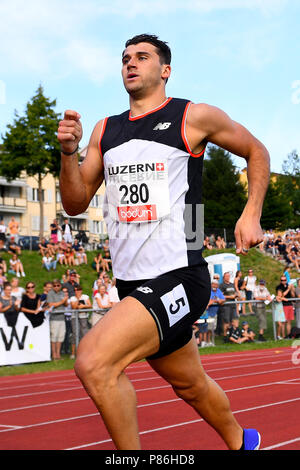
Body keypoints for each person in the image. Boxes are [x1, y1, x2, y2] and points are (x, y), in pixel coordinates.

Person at [58, 33, 269, 450]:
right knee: (191, 385)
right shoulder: (106, 130)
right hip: (132, 283)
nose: (130, 64)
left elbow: (256, 151)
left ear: (164, 70)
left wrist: (252, 212)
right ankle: (241, 441)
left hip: (180, 274)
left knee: (95, 363)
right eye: (124, 59)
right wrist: (68, 153)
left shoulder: (193, 117)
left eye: (141, 57)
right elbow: (76, 203)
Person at [47, 280, 69, 360]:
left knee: (61, 336)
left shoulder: (62, 293)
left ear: (60, 286)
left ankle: (58, 354)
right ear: (53, 286)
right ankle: (54, 354)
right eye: (55, 285)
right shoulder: (50, 293)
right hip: (54, 318)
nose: (56, 287)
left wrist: (66, 300)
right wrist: (62, 301)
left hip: (62, 317)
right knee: (54, 336)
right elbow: (51, 304)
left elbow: (66, 305)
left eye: (58, 285)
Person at [70, 285, 91, 357]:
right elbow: (73, 307)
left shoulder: (85, 296)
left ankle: (85, 352)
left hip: (83, 317)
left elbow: (90, 305)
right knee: (75, 334)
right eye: (75, 290)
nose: (77, 291)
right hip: (74, 317)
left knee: (84, 334)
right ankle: (73, 353)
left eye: (78, 290)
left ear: (81, 290)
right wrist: (78, 299)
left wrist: (83, 306)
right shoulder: (72, 298)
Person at [219, 272, 238, 340]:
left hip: (233, 305)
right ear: (224, 277)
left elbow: (235, 293)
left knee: (234, 320)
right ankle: (225, 336)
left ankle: (233, 335)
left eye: (228, 276)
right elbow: (221, 295)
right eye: (226, 276)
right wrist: (230, 296)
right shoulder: (221, 285)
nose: (227, 277)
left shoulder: (232, 284)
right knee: (226, 322)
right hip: (226, 305)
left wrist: (236, 295)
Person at [205, 279, 225, 346]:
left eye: (216, 284)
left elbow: (223, 299)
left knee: (212, 328)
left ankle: (210, 341)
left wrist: (217, 300)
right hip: (207, 313)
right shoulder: (208, 291)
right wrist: (217, 300)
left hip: (214, 313)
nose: (214, 286)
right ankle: (206, 341)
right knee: (207, 328)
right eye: (213, 284)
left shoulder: (218, 291)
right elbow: (209, 300)